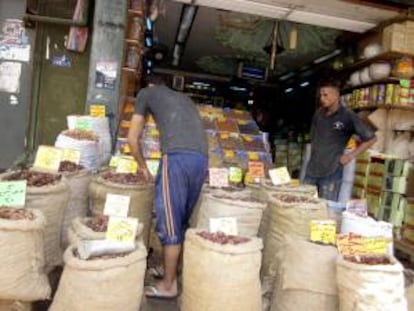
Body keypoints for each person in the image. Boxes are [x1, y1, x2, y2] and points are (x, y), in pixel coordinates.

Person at [127, 75, 208, 299]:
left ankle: (169, 286)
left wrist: (142, 166)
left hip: (177, 159)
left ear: (150, 84)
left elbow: (132, 138)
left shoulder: (146, 93)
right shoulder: (185, 99)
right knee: (180, 219)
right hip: (201, 160)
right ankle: (170, 269)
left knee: (169, 223)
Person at [304, 79, 376, 201]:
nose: (322, 98)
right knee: (303, 204)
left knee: (326, 209)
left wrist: (350, 156)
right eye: (320, 95)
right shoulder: (318, 114)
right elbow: (313, 139)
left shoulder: (347, 115)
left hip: (332, 172)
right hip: (312, 169)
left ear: (336, 95)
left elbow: (371, 139)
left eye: (325, 95)